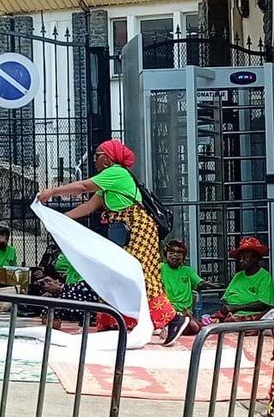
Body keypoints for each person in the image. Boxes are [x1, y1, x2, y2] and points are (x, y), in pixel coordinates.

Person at [36, 139, 184, 345]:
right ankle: (117, 321)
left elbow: (82, 186)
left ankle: (174, 319)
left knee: (139, 275)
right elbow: (89, 206)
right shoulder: (107, 182)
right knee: (116, 275)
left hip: (138, 229)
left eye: (97, 155)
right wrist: (58, 220)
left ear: (107, 159)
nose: (94, 160)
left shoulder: (117, 173)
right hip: (125, 231)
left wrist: (52, 192)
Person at [211, 237, 274, 322]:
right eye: (240, 258)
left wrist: (235, 307)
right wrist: (227, 308)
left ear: (256, 258)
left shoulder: (265, 277)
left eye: (246, 257)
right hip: (229, 315)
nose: (241, 261)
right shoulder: (238, 276)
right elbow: (225, 298)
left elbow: (264, 304)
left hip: (250, 317)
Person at [161, 240, 212, 334]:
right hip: (166, 310)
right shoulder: (161, 268)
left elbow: (198, 284)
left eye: (179, 253)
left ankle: (176, 327)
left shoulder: (187, 271)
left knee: (195, 327)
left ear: (184, 257)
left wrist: (204, 284)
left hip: (185, 311)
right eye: (171, 252)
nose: (175, 255)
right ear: (165, 254)